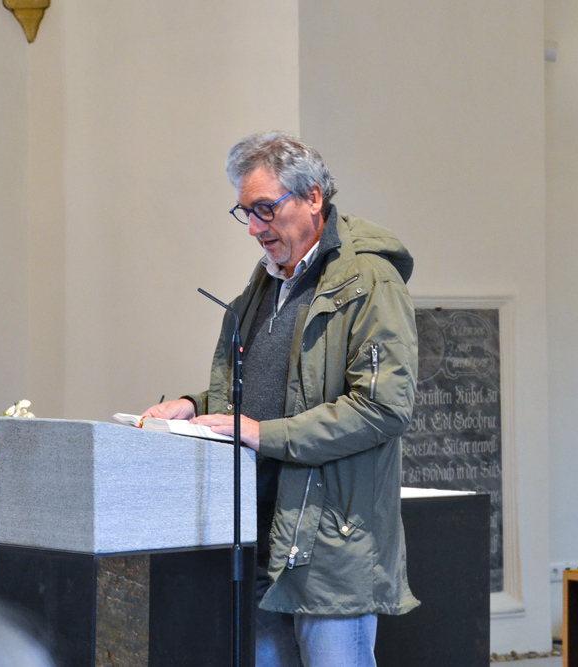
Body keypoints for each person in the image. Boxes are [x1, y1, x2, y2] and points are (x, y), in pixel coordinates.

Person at [143, 131, 419, 666]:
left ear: (313, 197)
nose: (254, 228)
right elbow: (270, 389)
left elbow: (383, 408)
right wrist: (195, 405)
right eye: (246, 212)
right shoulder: (268, 283)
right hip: (259, 540)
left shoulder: (370, 281)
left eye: (265, 209)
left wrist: (260, 433)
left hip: (331, 547)